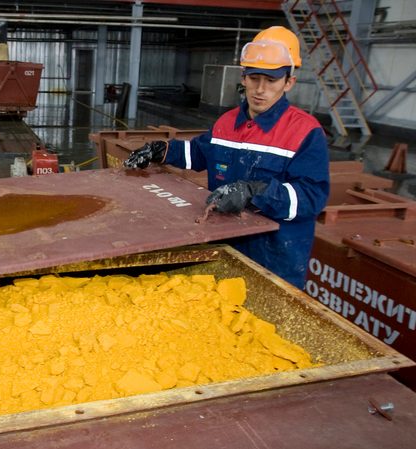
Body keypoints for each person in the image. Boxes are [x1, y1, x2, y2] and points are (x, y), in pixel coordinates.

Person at [124, 26, 329, 289]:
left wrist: (254, 192)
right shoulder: (227, 122)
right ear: (243, 77)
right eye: (254, 78)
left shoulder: (305, 132)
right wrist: (159, 150)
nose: (260, 89)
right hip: (221, 251)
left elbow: (312, 198)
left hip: (272, 263)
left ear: (289, 82)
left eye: (271, 80)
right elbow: (198, 153)